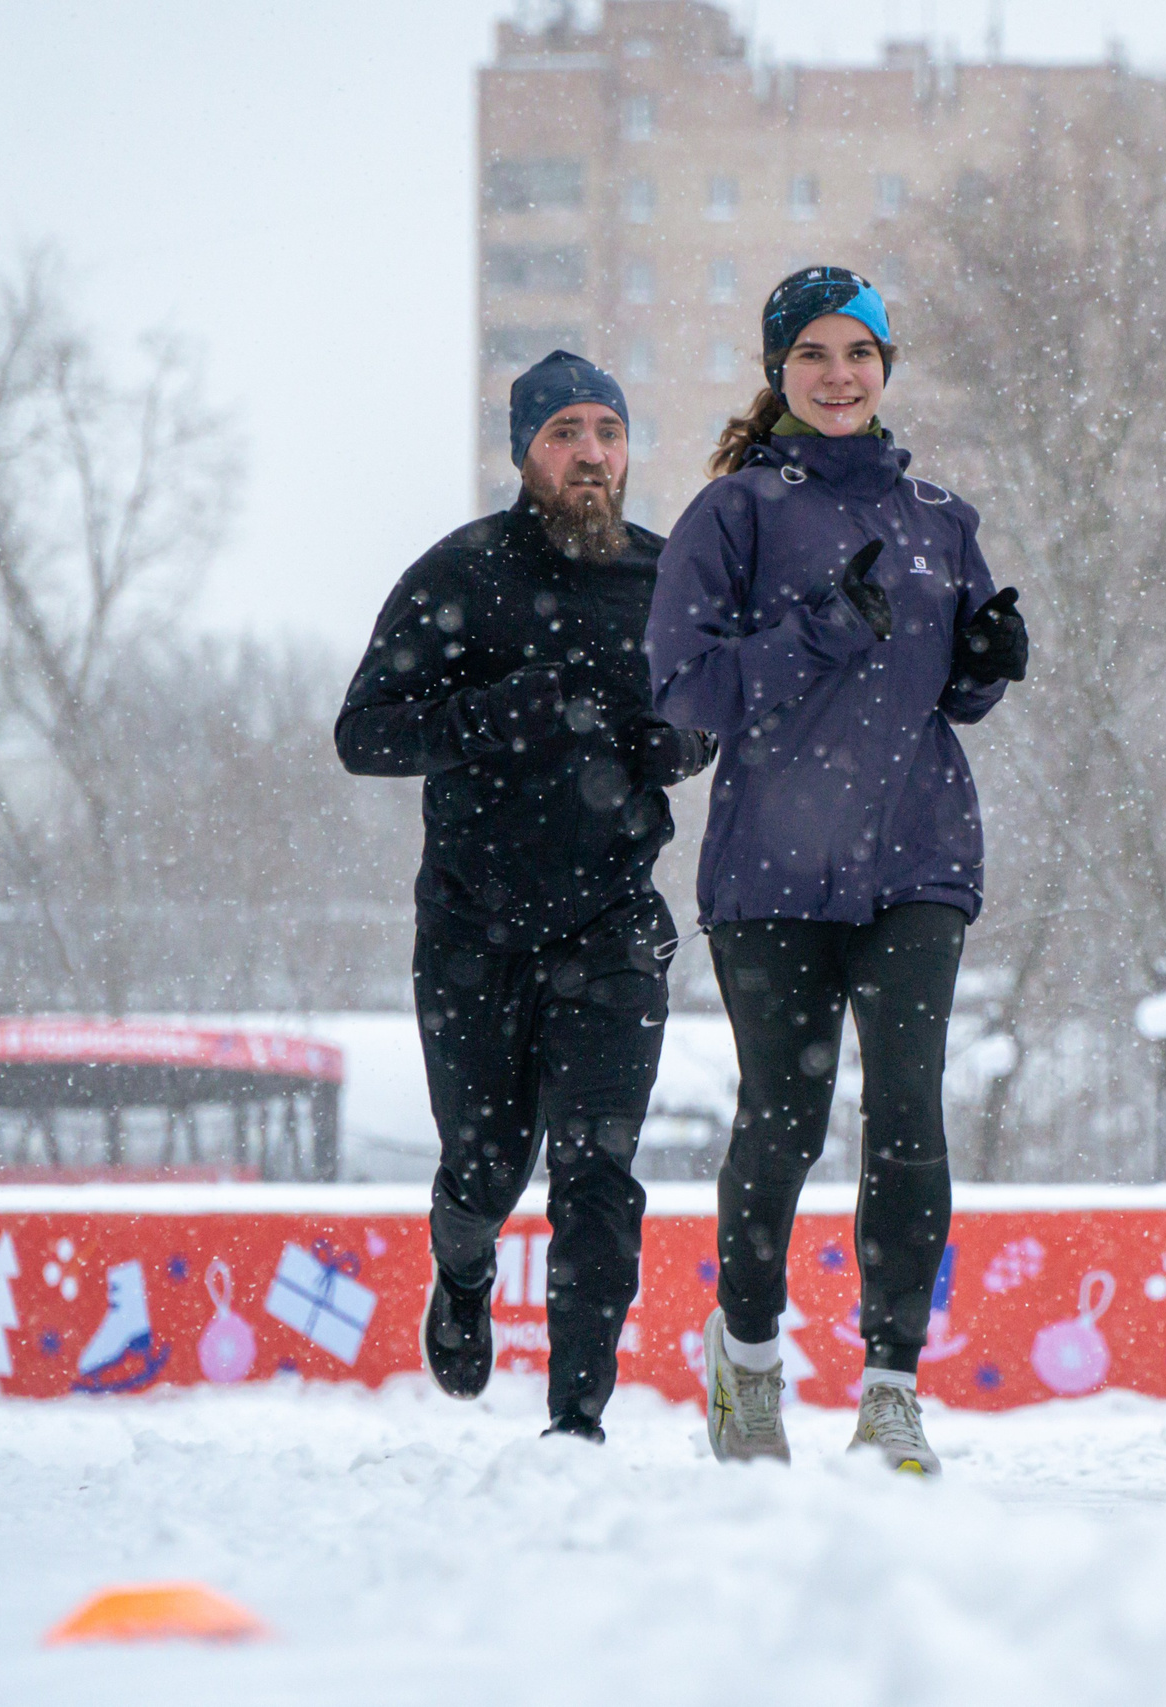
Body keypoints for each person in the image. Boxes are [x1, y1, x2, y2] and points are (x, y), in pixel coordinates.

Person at [649, 266, 1027, 1476]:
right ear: (778, 373)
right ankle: (749, 1366)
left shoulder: (940, 519)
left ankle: (891, 1386)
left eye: (857, 352)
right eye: (810, 354)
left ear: (885, 366)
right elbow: (683, 691)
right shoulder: (734, 515)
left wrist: (987, 661)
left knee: (908, 1113)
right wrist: (814, 631)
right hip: (772, 868)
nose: (836, 374)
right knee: (785, 1121)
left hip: (916, 854)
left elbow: (944, 694)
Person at [336, 349, 714, 1443]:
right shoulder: (457, 577)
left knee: (598, 1172)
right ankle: (460, 1274)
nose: (591, 453)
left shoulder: (666, 577)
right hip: (474, 933)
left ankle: (577, 1421)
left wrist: (674, 745)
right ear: (523, 453)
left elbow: (711, 715)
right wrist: (487, 718)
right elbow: (362, 737)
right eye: (564, 434)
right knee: (488, 1165)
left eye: (607, 430)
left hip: (612, 930)